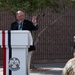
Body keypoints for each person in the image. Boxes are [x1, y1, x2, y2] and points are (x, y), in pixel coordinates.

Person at [10, 10, 38, 75]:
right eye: (20, 15)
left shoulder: (28, 23)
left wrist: (34, 23)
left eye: (23, 15)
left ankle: (27, 73)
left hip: (28, 47)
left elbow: (35, 28)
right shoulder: (13, 24)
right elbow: (12, 34)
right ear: (17, 16)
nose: (21, 17)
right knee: (19, 62)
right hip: (17, 47)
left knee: (27, 62)